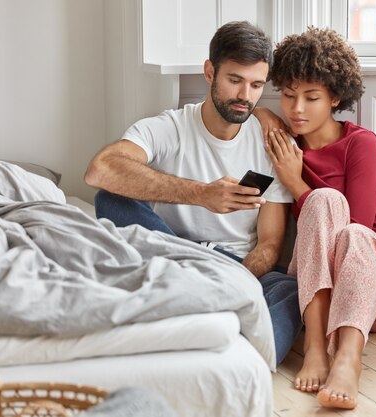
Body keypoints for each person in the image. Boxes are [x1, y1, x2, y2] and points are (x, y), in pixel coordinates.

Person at [84, 21, 301, 365]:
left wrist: (237, 278)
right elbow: (101, 168)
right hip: (171, 255)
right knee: (110, 199)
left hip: (231, 266)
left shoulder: (271, 144)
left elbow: (270, 244)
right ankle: (216, 322)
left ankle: (238, 357)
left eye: (257, 85)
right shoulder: (169, 128)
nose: (246, 96)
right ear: (210, 71)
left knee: (289, 288)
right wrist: (201, 195)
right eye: (234, 80)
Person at [265, 27, 376, 409]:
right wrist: (265, 116)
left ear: (334, 97)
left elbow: (361, 232)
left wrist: (294, 182)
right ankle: (316, 349)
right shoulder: (285, 146)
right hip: (318, 295)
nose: (296, 109)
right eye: (287, 96)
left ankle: (349, 360)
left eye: (311, 97)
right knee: (323, 202)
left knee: (332, 208)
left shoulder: (360, 143)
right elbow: (251, 111)